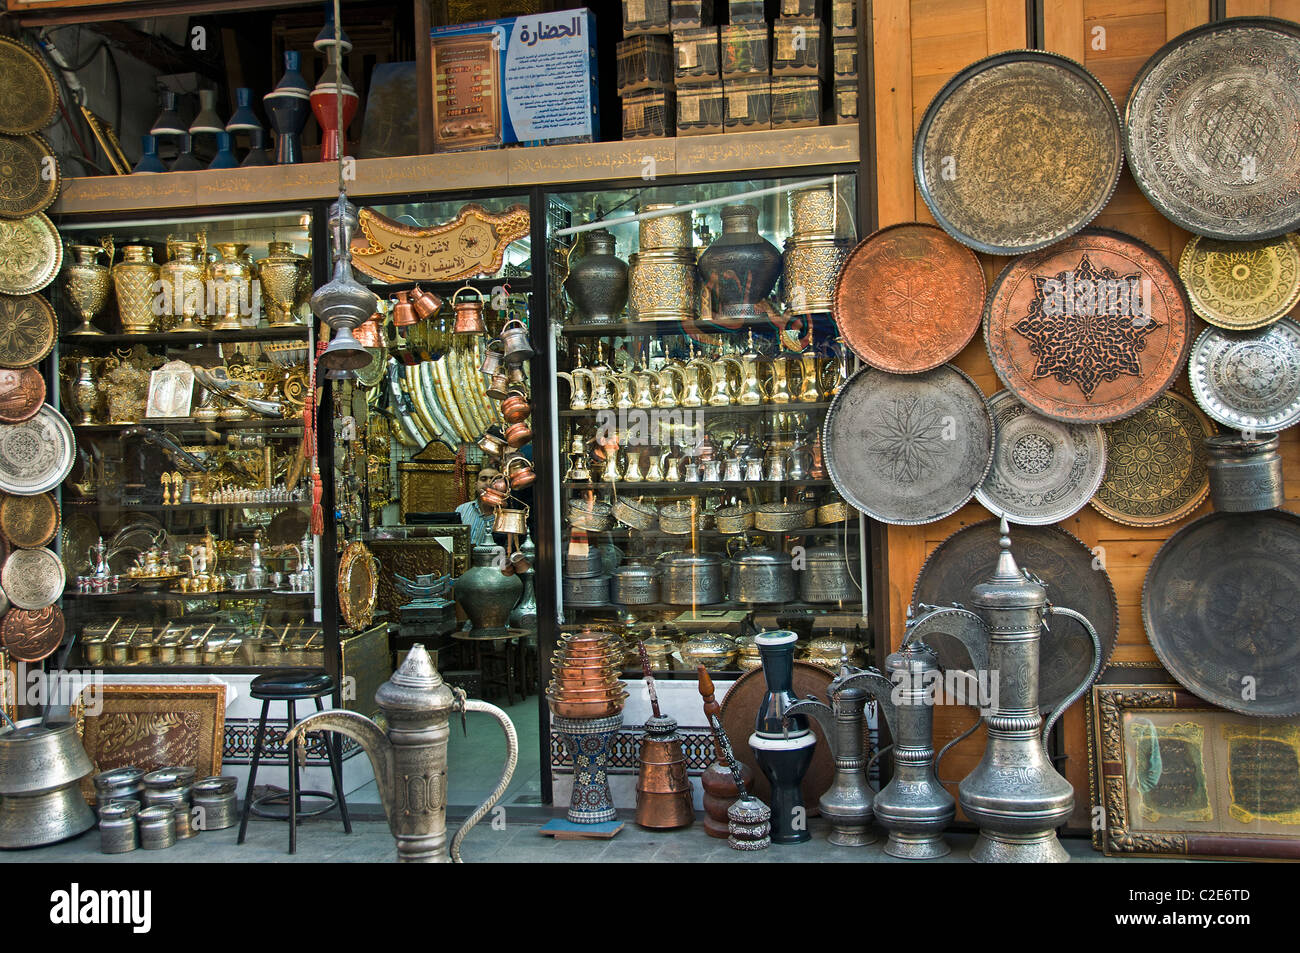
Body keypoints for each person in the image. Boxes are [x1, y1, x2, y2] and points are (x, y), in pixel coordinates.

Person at [455, 465, 500, 544]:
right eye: (483, 479)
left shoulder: (506, 514)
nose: (488, 482)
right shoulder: (462, 510)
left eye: (494, 479)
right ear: (475, 485)